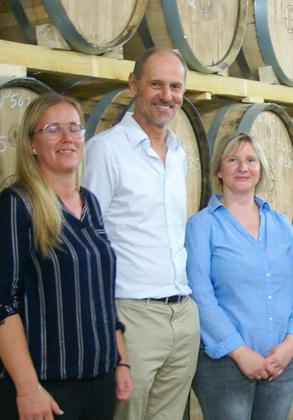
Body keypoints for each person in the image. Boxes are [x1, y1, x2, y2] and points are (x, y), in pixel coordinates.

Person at [0, 94, 133, 419]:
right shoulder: (15, 205)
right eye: (52, 129)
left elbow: (102, 294)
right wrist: (27, 388)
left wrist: (120, 361)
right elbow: (0, 304)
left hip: (97, 382)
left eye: (74, 128)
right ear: (31, 145)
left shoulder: (90, 203)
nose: (67, 138)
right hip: (41, 387)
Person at [83, 47, 200, 419]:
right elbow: (89, 241)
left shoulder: (180, 153)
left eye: (176, 87)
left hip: (182, 314)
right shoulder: (105, 151)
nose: (167, 96)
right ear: (134, 84)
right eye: (156, 84)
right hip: (132, 315)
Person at [185, 132, 293, 419]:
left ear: (260, 169)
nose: (243, 167)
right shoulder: (202, 226)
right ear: (219, 169)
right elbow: (201, 297)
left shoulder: (280, 224)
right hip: (225, 365)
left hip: (281, 362)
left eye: (250, 160)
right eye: (233, 160)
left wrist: (290, 345)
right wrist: (241, 353)